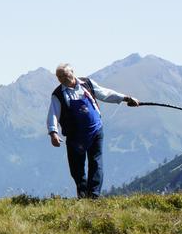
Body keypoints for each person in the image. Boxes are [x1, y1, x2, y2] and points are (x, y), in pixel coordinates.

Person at [47, 63, 138, 199]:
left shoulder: (87, 84)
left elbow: (105, 94)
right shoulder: (58, 94)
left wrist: (126, 98)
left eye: (65, 75)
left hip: (95, 131)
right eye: (59, 77)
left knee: (96, 163)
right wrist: (53, 133)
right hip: (75, 136)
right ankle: (83, 196)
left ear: (72, 72)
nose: (62, 79)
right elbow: (53, 114)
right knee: (77, 168)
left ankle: (94, 196)